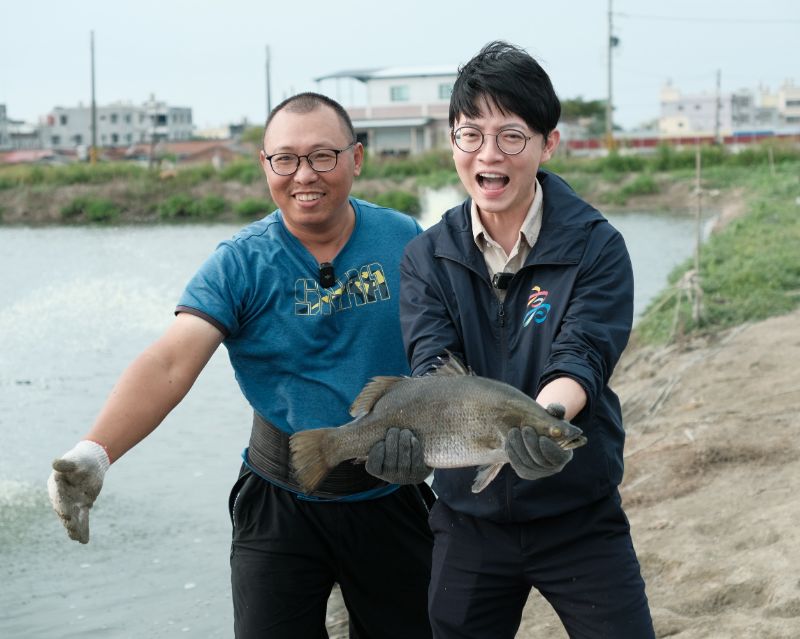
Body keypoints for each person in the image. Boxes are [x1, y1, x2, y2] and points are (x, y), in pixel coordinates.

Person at [48, 92, 434, 639]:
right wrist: (96, 452)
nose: (305, 175)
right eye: (286, 159)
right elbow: (169, 362)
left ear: (356, 158)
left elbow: (448, 348)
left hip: (391, 492)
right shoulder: (241, 261)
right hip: (280, 503)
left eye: (323, 156)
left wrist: (446, 444)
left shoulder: (404, 239)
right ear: (265, 164)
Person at [391, 42, 656, 638]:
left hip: (578, 514)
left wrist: (547, 421)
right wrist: (406, 445)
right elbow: (432, 363)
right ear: (452, 141)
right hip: (467, 520)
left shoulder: (596, 245)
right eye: (471, 135)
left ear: (547, 143)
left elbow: (582, 353)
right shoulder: (424, 258)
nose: (489, 154)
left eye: (511, 136)